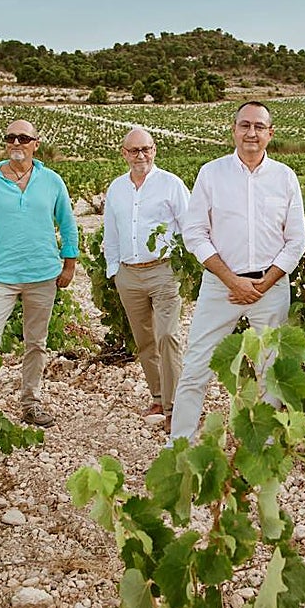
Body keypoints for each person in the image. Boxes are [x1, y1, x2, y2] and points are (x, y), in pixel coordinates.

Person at [167, 101, 305, 444]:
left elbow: (296, 241)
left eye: (259, 126)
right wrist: (232, 280)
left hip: (270, 287)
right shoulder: (211, 174)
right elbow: (195, 232)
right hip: (221, 286)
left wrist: (264, 283)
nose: (251, 133)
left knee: (270, 367)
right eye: (245, 125)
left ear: (270, 133)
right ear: (234, 130)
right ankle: (179, 442)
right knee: (197, 365)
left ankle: (267, 444)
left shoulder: (285, 177)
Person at [0, 120, 78, 428]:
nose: (16, 143)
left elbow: (68, 224)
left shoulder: (52, 180)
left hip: (43, 275)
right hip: (1, 276)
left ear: (36, 144)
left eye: (23, 138)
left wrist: (69, 264)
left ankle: (31, 403)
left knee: (36, 342)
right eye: (11, 138)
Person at [103, 127, 191, 428]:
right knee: (144, 341)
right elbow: (111, 232)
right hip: (129, 274)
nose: (141, 155)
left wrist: (185, 266)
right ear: (124, 154)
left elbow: (189, 226)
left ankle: (175, 407)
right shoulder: (116, 188)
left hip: (164, 271)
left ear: (154, 150)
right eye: (134, 150)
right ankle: (158, 396)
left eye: (146, 149)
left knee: (167, 336)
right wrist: (114, 270)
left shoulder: (171, 184)